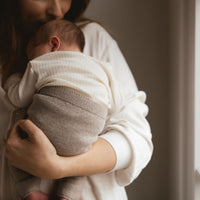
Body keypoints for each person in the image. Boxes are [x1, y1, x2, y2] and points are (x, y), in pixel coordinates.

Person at [0, 0, 153, 200]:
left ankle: (31, 191)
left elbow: (137, 135)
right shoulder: (99, 69)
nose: (57, 10)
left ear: (54, 43)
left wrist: (59, 166)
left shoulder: (92, 37)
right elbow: (115, 100)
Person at [4, 19, 123, 200]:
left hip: (45, 131)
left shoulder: (41, 63)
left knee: (17, 133)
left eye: (33, 50)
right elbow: (116, 106)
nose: (31, 58)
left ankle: (30, 191)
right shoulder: (103, 68)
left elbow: (17, 98)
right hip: (86, 135)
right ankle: (67, 196)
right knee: (81, 163)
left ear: (53, 44)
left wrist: (13, 80)